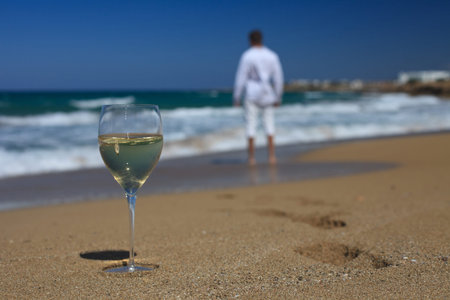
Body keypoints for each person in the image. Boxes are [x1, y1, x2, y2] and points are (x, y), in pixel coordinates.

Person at [233, 29, 284, 166]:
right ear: (261, 39)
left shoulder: (247, 56)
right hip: (268, 94)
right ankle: (272, 156)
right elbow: (278, 78)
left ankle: (251, 158)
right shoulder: (272, 55)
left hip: (251, 94)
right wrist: (278, 96)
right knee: (269, 125)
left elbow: (241, 77)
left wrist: (236, 96)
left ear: (250, 40)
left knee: (250, 125)